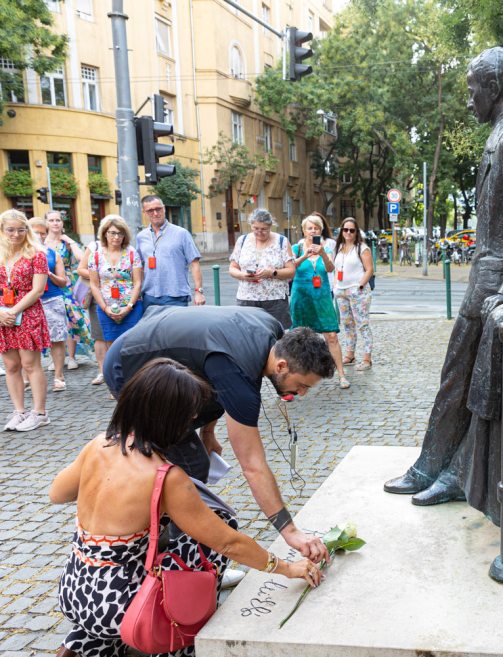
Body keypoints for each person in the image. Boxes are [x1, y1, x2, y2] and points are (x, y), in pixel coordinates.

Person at [51, 358, 322, 657]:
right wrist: (285, 567)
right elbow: (227, 542)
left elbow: (57, 494)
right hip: (118, 603)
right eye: (189, 412)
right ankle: (173, 644)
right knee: (219, 526)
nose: (194, 417)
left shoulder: (99, 443)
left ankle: (85, 642)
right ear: (168, 417)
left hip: (74, 588)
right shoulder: (165, 477)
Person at [384, 47, 503, 509]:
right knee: (459, 377)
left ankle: (454, 471)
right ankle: (433, 465)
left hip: (498, 286)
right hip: (488, 278)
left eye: (473, 87)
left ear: (494, 88)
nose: (469, 97)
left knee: (477, 384)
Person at [103, 306, 336, 563]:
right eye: (302, 385)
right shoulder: (238, 372)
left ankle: (181, 554)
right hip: (128, 366)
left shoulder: (273, 331)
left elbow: (211, 376)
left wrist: (208, 431)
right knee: (190, 464)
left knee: (191, 463)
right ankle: (176, 563)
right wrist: (290, 532)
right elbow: (252, 465)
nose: (302, 394)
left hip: (159, 353)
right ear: (281, 365)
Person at [0, 209, 51, 431]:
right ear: (2, 230)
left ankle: (39, 413)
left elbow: (38, 290)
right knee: (11, 365)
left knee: (30, 364)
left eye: (21, 230)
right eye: (10, 230)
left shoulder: (36, 254)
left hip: (28, 313)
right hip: (3, 315)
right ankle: (19, 412)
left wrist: (14, 310)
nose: (15, 234)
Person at [291, 215, 349, 389]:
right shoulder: (296, 247)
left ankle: (341, 375)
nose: (313, 231)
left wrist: (322, 253)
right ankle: (299, 377)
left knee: (331, 335)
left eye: (316, 228)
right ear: (304, 230)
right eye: (310, 228)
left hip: (322, 297)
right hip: (302, 298)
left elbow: (330, 269)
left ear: (321, 230)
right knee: (300, 338)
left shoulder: (326, 249)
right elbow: (290, 267)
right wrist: (305, 256)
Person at [229, 208, 295, 329]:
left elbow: (291, 271)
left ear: (270, 226)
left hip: (275, 300)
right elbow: (232, 268)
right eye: (255, 228)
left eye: (264, 229)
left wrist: (272, 273)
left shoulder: (281, 241)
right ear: (251, 225)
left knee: (276, 336)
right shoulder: (242, 241)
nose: (259, 232)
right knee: (247, 336)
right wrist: (243, 275)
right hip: (246, 298)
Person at [136, 194, 205, 310]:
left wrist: (199, 291)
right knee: (153, 329)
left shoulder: (181, 234)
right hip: (149, 297)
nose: (155, 213)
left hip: (176, 296)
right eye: (150, 211)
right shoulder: (141, 237)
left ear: (164, 208)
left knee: (177, 329)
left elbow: (194, 263)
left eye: (158, 209)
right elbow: (140, 267)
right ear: (145, 213)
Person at [44, 210, 91, 370]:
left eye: (58, 220)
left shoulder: (66, 242)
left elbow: (81, 258)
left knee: (71, 319)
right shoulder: (41, 243)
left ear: (62, 223)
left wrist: (70, 241)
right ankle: (55, 358)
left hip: (68, 284)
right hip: (49, 283)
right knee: (51, 319)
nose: (55, 223)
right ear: (46, 223)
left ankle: (71, 357)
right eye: (51, 220)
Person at [88, 216, 143, 347]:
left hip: (131, 308)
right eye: (113, 233)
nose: (116, 237)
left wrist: (129, 307)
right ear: (105, 233)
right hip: (106, 308)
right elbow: (94, 285)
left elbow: (138, 283)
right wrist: (105, 308)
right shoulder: (95, 256)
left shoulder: (132, 253)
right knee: (112, 346)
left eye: (120, 233)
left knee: (133, 344)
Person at [28, 217, 69, 391]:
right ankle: (28, 377)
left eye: (42, 232)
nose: (39, 235)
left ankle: (58, 376)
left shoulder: (53, 254)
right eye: (35, 232)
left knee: (57, 339)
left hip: (52, 299)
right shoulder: (22, 254)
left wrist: (49, 274)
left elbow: (63, 281)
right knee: (29, 341)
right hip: (29, 302)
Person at [333, 217, 374, 370]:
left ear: (356, 232)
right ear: (342, 231)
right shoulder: (339, 247)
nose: (348, 232)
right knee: (347, 324)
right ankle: (350, 355)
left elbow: (369, 269)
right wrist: (336, 286)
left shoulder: (362, 248)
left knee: (362, 324)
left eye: (352, 230)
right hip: (341, 291)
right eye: (345, 229)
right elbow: (337, 268)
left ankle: (367, 358)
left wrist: (360, 285)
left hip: (358, 291)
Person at [76, 239, 108, 385]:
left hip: (121, 298)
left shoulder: (127, 249)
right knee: (99, 335)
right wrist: (99, 275)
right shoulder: (95, 246)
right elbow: (80, 269)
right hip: (97, 296)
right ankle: (102, 371)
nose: (114, 235)